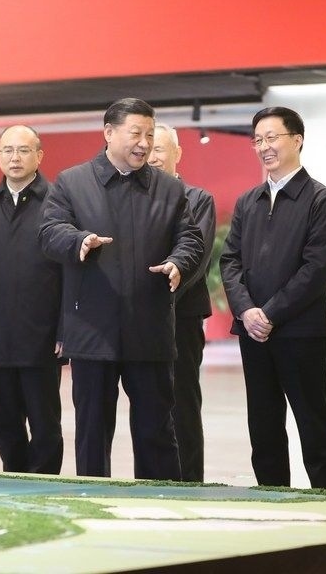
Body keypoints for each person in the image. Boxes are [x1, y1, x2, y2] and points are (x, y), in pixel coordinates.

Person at [39, 98, 204, 481]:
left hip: (150, 329)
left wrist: (179, 262)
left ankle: (160, 500)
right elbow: (48, 231)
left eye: (149, 134)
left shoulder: (169, 188)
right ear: (109, 133)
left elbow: (191, 238)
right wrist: (78, 240)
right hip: (92, 330)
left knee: (156, 432)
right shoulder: (72, 182)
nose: (144, 143)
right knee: (92, 433)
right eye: (136, 133)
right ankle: (94, 500)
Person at [220, 106, 326, 490]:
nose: (264, 147)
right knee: (263, 428)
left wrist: (269, 314)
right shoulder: (248, 201)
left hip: (300, 333)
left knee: (314, 425)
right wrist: (246, 311)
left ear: (297, 140)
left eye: (272, 137)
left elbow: (315, 270)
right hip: (254, 335)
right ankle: (272, 499)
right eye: (258, 140)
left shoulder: (320, 200)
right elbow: (229, 261)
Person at [0, 125, 64, 474]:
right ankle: (15, 476)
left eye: (23, 150)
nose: (15, 157)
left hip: (42, 334)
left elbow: (69, 274)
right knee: (4, 422)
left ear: (39, 155)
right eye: (7, 150)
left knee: (45, 421)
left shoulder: (59, 203)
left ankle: (43, 483)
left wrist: (65, 330)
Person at [148, 123, 216, 482]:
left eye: (159, 149)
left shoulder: (197, 199)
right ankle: (154, 481)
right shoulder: (136, 199)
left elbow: (195, 260)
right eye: (147, 148)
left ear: (177, 153)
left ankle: (189, 482)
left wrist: (157, 298)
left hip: (181, 319)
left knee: (183, 405)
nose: (152, 156)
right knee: (149, 406)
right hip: (141, 319)